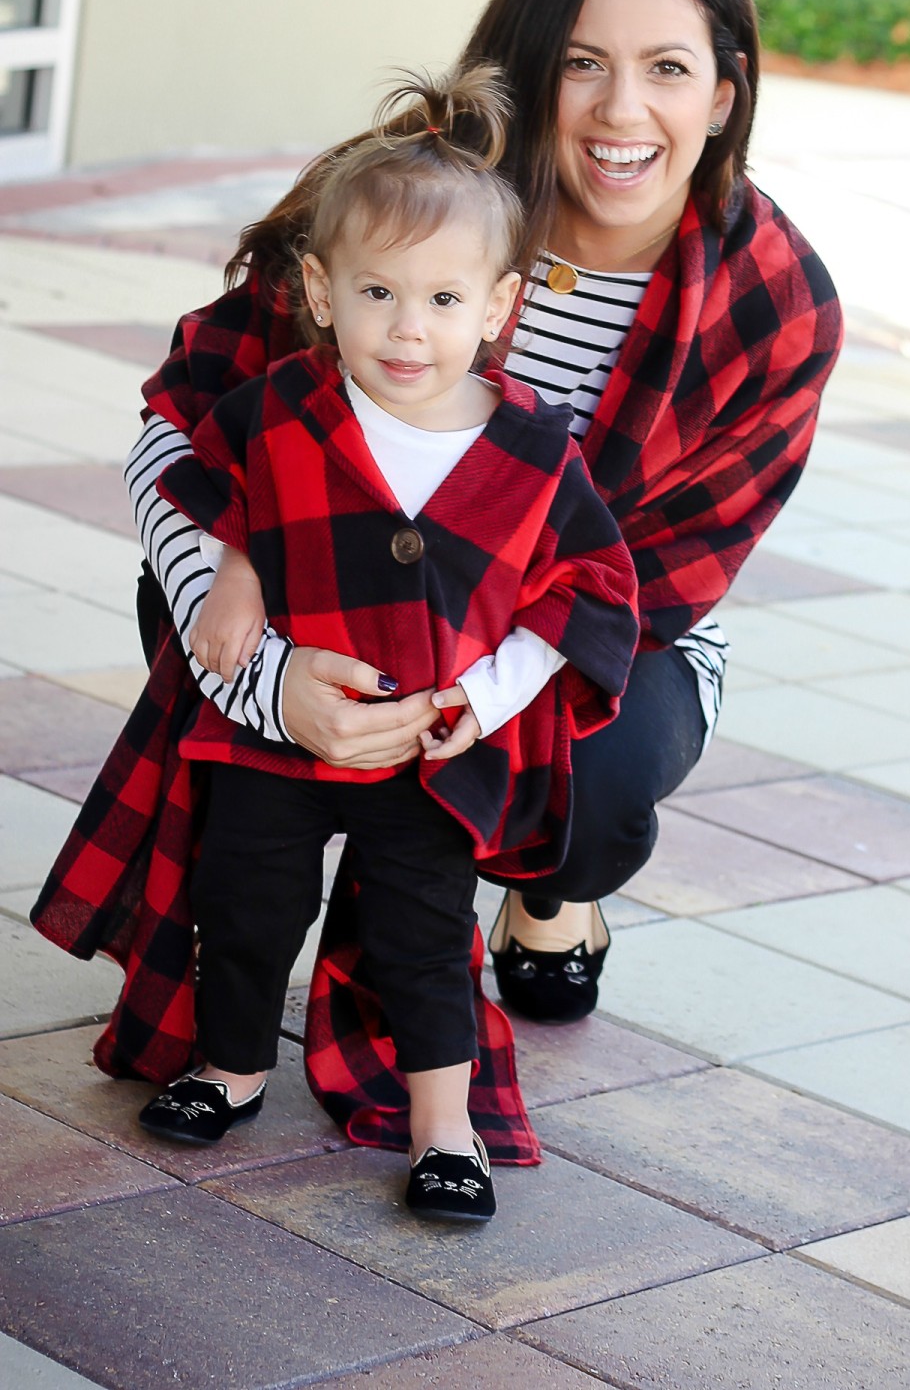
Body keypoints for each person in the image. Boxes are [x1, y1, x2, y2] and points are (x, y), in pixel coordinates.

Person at [34, 0, 841, 1158]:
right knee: (183, 609)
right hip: (320, 600)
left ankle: (545, 902)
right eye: (583, 63)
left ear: (726, 94)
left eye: (668, 70)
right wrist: (269, 665)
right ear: (532, 62)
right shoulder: (409, 199)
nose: (622, 112)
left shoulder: (775, 300)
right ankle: (276, 922)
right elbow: (190, 421)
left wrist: (460, 699)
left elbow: (671, 571)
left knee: (604, 780)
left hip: (560, 631)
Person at [74, 67, 639, 1222]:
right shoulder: (285, 402)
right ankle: (229, 1066)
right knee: (246, 902)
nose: (407, 328)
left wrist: (483, 702)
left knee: (421, 938)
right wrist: (235, 572)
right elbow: (214, 480)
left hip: (429, 749)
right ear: (322, 293)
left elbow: (585, 592)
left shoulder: (531, 451)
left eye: (442, 301)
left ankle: (445, 1127)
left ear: (498, 308)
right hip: (283, 735)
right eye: (379, 293)